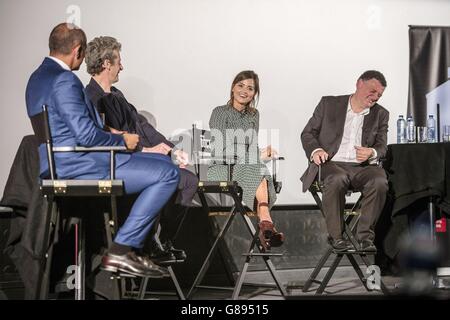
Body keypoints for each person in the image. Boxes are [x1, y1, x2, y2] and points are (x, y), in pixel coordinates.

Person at [25, 23, 180, 278]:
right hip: (79, 164)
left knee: (162, 166)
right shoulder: (64, 79)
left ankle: (135, 249)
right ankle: (122, 250)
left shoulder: (37, 77)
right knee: (168, 173)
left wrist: (115, 135)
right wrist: (124, 142)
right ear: (77, 50)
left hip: (61, 161)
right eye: (83, 53)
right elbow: (85, 135)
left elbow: (69, 126)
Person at [84, 36, 198, 264]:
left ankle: (162, 239)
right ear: (107, 63)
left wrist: (171, 150)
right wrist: (148, 151)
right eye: (118, 61)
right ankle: (147, 243)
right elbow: (103, 138)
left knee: (189, 180)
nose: (121, 67)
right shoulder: (92, 98)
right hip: (120, 163)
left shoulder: (117, 95)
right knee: (170, 177)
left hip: (140, 158)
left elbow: (142, 127)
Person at [300, 70, 389, 252]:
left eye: (379, 95)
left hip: (361, 167)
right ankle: (336, 237)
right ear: (359, 84)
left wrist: (371, 152)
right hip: (330, 164)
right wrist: (316, 150)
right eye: (372, 91)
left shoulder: (381, 114)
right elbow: (308, 133)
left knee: (379, 180)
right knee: (338, 177)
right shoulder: (329, 104)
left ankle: (365, 238)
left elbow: (382, 147)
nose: (375, 97)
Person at [208, 70, 284, 251]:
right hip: (222, 166)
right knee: (257, 167)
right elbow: (220, 148)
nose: (244, 91)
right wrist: (255, 156)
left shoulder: (253, 115)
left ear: (254, 93)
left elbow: (252, 144)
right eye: (240, 86)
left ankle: (265, 223)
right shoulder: (220, 112)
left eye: (250, 88)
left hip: (246, 166)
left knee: (256, 167)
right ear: (233, 88)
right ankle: (266, 221)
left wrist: (260, 152)